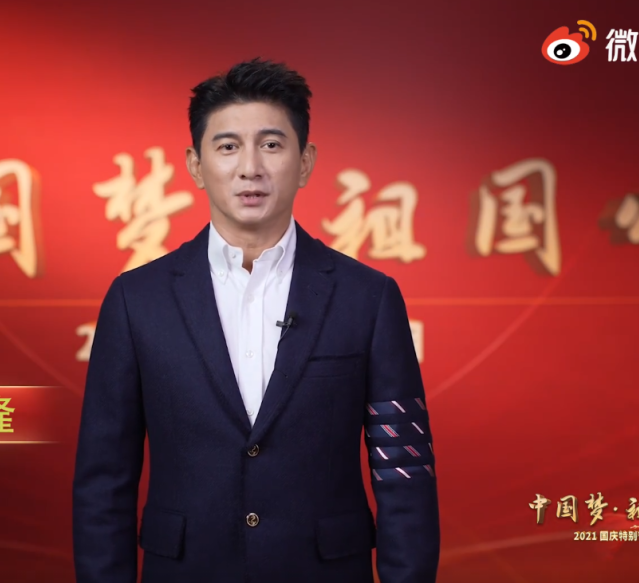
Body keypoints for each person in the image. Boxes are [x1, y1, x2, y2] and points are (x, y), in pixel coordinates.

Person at [72, 57, 440, 583]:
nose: (250, 168)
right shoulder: (137, 300)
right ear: (195, 165)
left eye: (271, 144)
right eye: (227, 147)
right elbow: (103, 480)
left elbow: (404, 474)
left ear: (305, 162)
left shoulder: (368, 298)